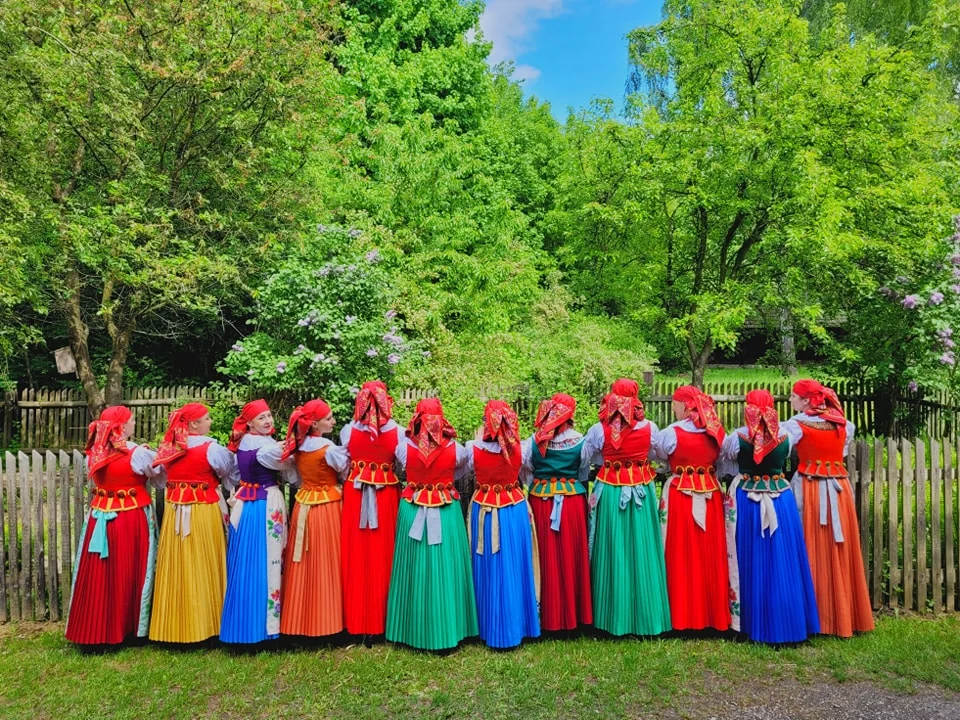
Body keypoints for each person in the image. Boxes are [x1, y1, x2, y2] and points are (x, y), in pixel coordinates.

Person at [718, 389, 820, 643]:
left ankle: (747, 623)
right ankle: (788, 623)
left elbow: (727, 463)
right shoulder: (787, 435)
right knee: (782, 556)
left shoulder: (736, 437)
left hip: (747, 498)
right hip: (780, 498)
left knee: (747, 557)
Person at [781, 379, 874, 637]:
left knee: (809, 543)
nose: (790, 400)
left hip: (810, 487)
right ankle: (841, 614)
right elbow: (839, 453)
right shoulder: (844, 424)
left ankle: (813, 615)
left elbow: (780, 450)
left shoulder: (796, 425)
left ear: (806, 400)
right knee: (837, 546)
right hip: (839, 488)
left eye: (793, 396)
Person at [385, 398, 478, 651]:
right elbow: (460, 471)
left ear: (416, 419)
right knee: (447, 565)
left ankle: (411, 629)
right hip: (445, 508)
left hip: (413, 507)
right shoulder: (458, 449)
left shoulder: (403, 448)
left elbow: (402, 467)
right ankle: (451, 627)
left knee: (413, 567)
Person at [66, 406, 161, 645]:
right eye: (132, 421)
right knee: (130, 569)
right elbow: (160, 477)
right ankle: (130, 629)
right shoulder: (138, 454)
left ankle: (93, 629)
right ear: (121, 427)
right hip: (131, 517)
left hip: (98, 516)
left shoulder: (94, 454)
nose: (134, 424)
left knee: (99, 571)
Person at [584, 379, 670, 637]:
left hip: (611, 491)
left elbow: (588, 457)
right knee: (643, 547)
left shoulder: (598, 429)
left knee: (612, 548)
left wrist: (610, 458)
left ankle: (610, 617)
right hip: (641, 490)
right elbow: (656, 455)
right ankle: (647, 617)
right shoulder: (650, 428)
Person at [149, 402, 239, 644]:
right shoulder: (211, 449)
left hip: (175, 511)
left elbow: (160, 480)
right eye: (207, 418)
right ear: (194, 424)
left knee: (177, 563)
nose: (211, 422)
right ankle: (210, 623)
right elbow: (230, 475)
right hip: (203, 511)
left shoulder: (169, 448)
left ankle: (173, 625)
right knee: (204, 559)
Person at [465, 400, 540, 649]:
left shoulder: (472, 448)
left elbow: (462, 469)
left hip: (485, 510)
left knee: (486, 564)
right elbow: (527, 474)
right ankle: (517, 624)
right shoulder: (522, 448)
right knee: (514, 564)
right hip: (513, 509)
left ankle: (486, 625)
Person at [654, 385, 730, 632]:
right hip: (710, 495)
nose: (673, 408)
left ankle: (680, 614)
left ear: (684, 406)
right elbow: (722, 461)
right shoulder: (716, 431)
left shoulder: (671, 433)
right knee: (710, 552)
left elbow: (661, 456)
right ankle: (710, 614)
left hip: (681, 495)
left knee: (679, 550)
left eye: (675, 404)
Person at [220, 399, 293, 644]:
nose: (268, 420)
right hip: (265, 505)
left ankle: (242, 626)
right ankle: (266, 628)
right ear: (249, 423)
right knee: (269, 560)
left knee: (246, 562)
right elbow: (288, 465)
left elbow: (233, 476)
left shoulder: (243, 444)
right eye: (261, 418)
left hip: (246, 507)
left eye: (269, 415)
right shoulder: (265, 448)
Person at [522, 393, 593, 632]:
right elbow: (582, 473)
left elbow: (527, 473)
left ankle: (545, 615)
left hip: (541, 502)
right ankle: (574, 615)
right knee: (572, 556)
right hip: (572, 503)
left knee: (543, 556)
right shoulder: (581, 442)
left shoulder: (533, 442)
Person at [340, 381, 404, 639]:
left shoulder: (349, 430)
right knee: (383, 551)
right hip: (384, 495)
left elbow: (343, 464)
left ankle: (357, 620)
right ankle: (382, 620)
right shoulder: (398, 432)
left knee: (357, 553)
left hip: (357, 494)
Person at [280, 399, 348, 638]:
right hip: (327, 506)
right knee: (329, 559)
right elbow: (345, 470)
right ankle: (330, 620)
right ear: (315, 424)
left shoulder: (299, 446)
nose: (334, 421)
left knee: (304, 562)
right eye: (329, 418)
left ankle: (299, 619)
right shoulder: (328, 448)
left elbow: (292, 477)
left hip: (304, 504)